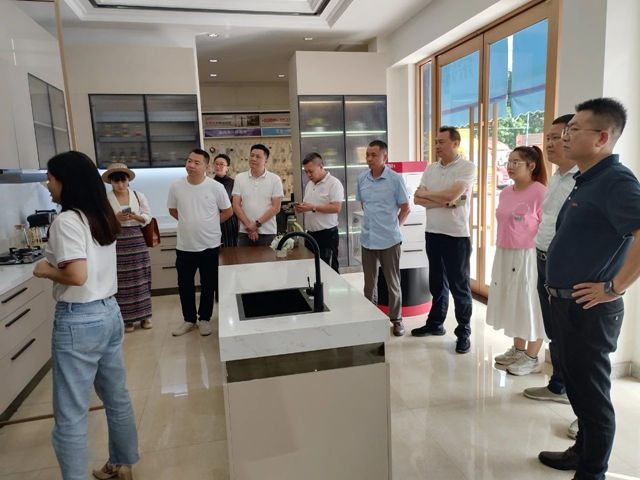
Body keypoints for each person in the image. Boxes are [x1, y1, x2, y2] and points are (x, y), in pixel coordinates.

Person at [538, 98, 640, 480]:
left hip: (590, 310)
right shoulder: (586, 179)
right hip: (567, 305)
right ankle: (580, 454)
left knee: (593, 398)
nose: (564, 136)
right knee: (578, 389)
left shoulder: (617, 181)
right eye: (566, 129)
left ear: (601, 138)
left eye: (573, 129)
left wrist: (614, 287)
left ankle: (591, 472)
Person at [33, 151, 138, 480]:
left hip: (79, 320)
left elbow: (76, 275)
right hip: (109, 313)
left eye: (50, 178)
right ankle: (122, 464)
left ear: (67, 182)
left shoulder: (67, 221)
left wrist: (45, 270)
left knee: (70, 413)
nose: (47, 185)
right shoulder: (102, 215)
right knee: (117, 397)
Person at [522, 116, 577, 401]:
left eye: (557, 137)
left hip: (567, 267)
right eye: (549, 138)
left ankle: (577, 398)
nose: (551, 143)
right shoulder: (557, 176)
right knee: (554, 328)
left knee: (571, 335)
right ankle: (558, 384)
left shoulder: (583, 179)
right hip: (544, 260)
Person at [411, 126, 475, 354]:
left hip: (456, 236)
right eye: (436, 142)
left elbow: (452, 195)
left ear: (455, 143)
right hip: (433, 232)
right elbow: (417, 199)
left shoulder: (467, 167)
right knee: (437, 283)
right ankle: (435, 323)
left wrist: (432, 195)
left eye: (441, 142)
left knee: (459, 286)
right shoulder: (431, 168)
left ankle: (464, 333)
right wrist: (444, 200)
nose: (437, 145)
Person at [486, 146, 548, 375]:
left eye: (516, 162)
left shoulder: (540, 192)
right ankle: (519, 350)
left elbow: (548, 229)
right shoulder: (506, 192)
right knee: (512, 301)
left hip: (528, 255)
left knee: (529, 302)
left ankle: (532, 357)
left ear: (531, 166)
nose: (510, 166)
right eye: (509, 161)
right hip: (505, 252)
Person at [168, 148, 233, 337]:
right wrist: (189, 222)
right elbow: (172, 210)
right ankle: (189, 320)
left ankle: (205, 319)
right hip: (185, 246)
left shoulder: (215, 187)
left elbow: (228, 211)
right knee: (185, 285)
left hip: (210, 245)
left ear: (206, 166)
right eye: (189, 161)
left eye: (196, 162)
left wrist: (209, 224)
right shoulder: (176, 186)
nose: (191, 165)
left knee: (208, 284)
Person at [356, 140, 410, 336]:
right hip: (368, 239)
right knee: (369, 284)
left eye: (374, 155)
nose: (369, 159)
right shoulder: (362, 178)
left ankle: (397, 320)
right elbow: (364, 205)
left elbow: (405, 208)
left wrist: (394, 227)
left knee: (392, 282)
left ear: (384, 157)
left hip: (389, 241)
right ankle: (371, 317)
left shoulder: (395, 179)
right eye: (367, 155)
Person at [103, 162, 153, 333]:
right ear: (111, 182)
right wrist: (116, 219)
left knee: (141, 276)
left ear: (128, 180)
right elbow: (101, 221)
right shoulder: (105, 199)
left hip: (137, 239)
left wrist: (135, 217)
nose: (120, 184)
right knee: (122, 280)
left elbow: (148, 216)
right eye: (116, 181)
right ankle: (127, 319)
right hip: (117, 241)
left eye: (123, 180)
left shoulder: (138, 195)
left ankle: (145, 316)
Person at [294, 152, 344, 272]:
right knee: (312, 270)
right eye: (306, 172)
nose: (308, 175)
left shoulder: (334, 183)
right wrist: (302, 207)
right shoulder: (309, 184)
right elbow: (310, 205)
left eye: (311, 171)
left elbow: (336, 208)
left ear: (321, 166)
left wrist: (312, 207)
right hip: (310, 235)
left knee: (328, 270)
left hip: (327, 235)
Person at [232, 144, 284, 246]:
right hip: (245, 231)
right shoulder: (239, 178)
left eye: (258, 157)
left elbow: (276, 208)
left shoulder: (275, 179)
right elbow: (236, 205)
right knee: (243, 257)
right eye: (252, 155)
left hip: (267, 232)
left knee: (268, 257)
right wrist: (249, 227)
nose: (253, 159)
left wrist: (256, 224)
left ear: (266, 160)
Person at [212, 153, 239, 247]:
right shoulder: (209, 183)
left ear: (227, 168)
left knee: (229, 250)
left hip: (229, 222)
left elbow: (237, 205)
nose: (218, 166)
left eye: (221, 164)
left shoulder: (233, 183)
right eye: (216, 164)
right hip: (213, 221)